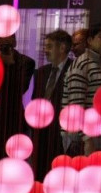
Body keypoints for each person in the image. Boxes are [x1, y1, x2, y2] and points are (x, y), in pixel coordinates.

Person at [62, 24, 101, 155]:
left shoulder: (97, 64)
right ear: (90, 41)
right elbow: (75, 106)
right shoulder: (82, 64)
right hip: (83, 140)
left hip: (95, 135)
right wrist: (87, 139)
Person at [0, 34, 35, 167]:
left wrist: (10, 65)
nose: (5, 45)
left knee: (14, 162)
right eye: (1, 41)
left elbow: (21, 88)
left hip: (14, 119)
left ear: (14, 42)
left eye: (7, 41)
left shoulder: (26, 62)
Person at [31, 29, 73, 179]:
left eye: (49, 46)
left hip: (61, 135)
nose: (45, 50)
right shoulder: (42, 72)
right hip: (41, 134)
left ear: (62, 48)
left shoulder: (74, 70)